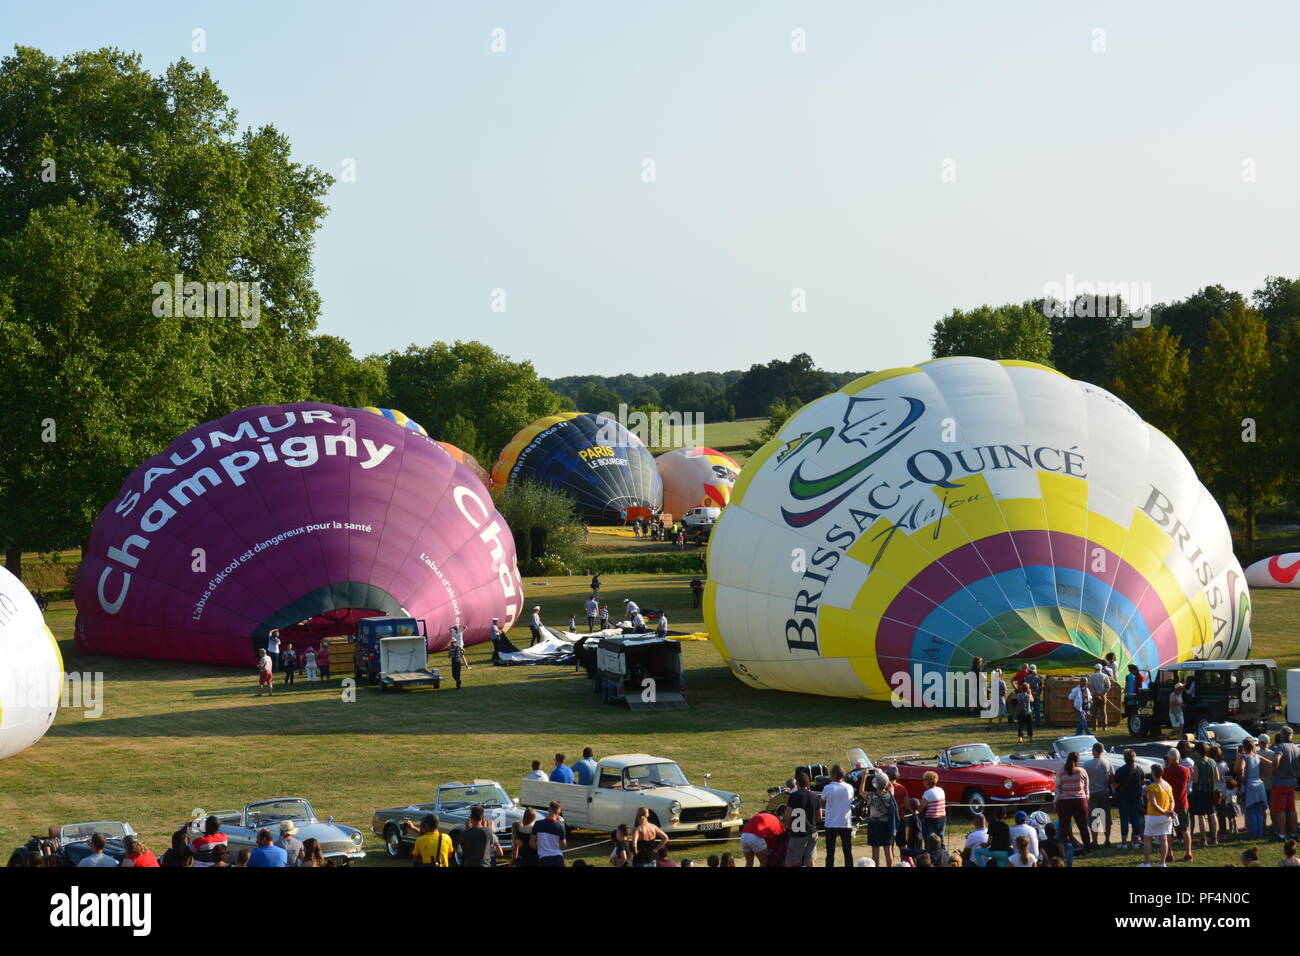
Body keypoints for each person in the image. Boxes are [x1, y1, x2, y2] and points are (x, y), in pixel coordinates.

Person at [1160, 747, 1193, 862]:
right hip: (1183, 803)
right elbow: (1188, 781)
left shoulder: (1165, 772)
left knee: (1169, 831)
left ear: (1170, 759)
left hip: (1169, 805)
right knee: (1185, 829)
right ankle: (1188, 853)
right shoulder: (1186, 770)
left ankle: (1170, 854)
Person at [1055, 751, 1091, 855]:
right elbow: (1086, 788)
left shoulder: (1061, 772)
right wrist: (1086, 799)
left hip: (1064, 802)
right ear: (1077, 760)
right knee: (1083, 826)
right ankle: (1087, 848)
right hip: (1080, 801)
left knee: (1064, 827)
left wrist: (1055, 801)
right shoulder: (1082, 771)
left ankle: (1062, 850)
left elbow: (1058, 788)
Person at [819, 764, 855, 867]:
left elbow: (822, 802)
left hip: (831, 823)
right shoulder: (849, 787)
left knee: (830, 852)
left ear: (834, 775)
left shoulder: (828, 787)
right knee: (847, 850)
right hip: (845, 822)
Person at [783, 770, 820, 867]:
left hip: (798, 832)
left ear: (797, 783)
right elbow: (819, 817)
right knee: (810, 860)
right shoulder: (815, 796)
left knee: (790, 861)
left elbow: (788, 815)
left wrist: (789, 826)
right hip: (812, 831)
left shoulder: (793, 796)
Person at [1268, 725, 1298, 841]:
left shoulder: (1280, 747)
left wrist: (1274, 771)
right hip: (1292, 782)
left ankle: (1281, 834)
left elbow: (1276, 760)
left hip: (1280, 782)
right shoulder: (1296, 748)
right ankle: (1294, 833)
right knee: (1291, 809)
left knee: (1279, 809)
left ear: (1282, 735)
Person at [1141, 764, 1175, 867]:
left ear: (1153, 774)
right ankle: (1162, 863)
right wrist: (1170, 811)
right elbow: (1172, 801)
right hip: (1166, 817)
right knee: (1164, 839)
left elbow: (1154, 805)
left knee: (1147, 839)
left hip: (1154, 816)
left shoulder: (1152, 787)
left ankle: (1147, 863)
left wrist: (1164, 811)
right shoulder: (1168, 785)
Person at [1082, 741, 1115, 846]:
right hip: (1104, 792)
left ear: (1095, 751)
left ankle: (1095, 841)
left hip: (1092, 793)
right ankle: (1107, 840)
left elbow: (1083, 779)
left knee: (1094, 817)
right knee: (1106, 817)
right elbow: (1111, 779)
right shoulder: (1108, 763)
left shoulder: (1087, 764)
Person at [1237, 736, 1269, 838]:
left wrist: (1242, 779)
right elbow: (1271, 763)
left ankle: (1253, 833)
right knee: (1259, 810)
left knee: (1250, 810)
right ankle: (1259, 832)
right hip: (1260, 785)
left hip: (1250, 785)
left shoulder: (1244, 757)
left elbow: (1240, 768)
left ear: (1244, 747)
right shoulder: (1257, 756)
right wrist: (1264, 776)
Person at [1190, 741, 1221, 848]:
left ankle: (1204, 840)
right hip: (1211, 791)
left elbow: (1195, 779)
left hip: (1200, 791)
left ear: (1198, 752)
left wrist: (1191, 773)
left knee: (1201, 816)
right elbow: (1217, 777)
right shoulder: (1213, 762)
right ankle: (1215, 838)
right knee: (1212, 814)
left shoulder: (1197, 763)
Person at [1114, 748, 1146, 849]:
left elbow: (1116, 784)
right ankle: (1135, 842)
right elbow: (1143, 781)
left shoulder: (1121, 770)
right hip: (1136, 798)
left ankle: (1124, 843)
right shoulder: (1139, 769)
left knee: (1124, 820)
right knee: (1135, 819)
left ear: (1125, 758)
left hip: (1123, 798)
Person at [865, 772, 898, 867]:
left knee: (875, 852)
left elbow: (861, 791)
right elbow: (891, 786)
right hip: (887, 824)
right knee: (888, 851)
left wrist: (864, 777)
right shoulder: (890, 795)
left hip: (874, 825)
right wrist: (884, 776)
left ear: (875, 783)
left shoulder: (871, 796)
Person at [532, 803, 567, 867]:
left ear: (548, 809)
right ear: (559, 813)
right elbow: (563, 846)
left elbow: (531, 843)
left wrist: (541, 848)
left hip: (544, 859)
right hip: (558, 858)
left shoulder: (538, 824)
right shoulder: (559, 827)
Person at [919, 770, 947, 847]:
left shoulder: (927, 793)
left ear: (927, 781)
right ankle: (943, 856)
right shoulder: (941, 790)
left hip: (931, 820)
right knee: (940, 839)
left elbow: (920, 808)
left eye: (924, 780)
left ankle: (930, 857)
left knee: (929, 841)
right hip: (942, 818)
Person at [1088, 663, 1111, 730]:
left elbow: (1090, 686)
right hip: (1103, 696)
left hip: (1094, 696)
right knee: (1103, 712)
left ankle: (1095, 727)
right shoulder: (1105, 676)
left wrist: (1096, 694)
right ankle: (1105, 727)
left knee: (1094, 712)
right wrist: (1102, 694)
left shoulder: (1091, 676)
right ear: (1101, 669)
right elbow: (1108, 686)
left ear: (1095, 669)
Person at [448, 624, 468, 689]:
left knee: (455, 674)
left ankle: (458, 684)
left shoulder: (454, 633)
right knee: (456, 673)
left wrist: (452, 627)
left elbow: (449, 629)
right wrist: (460, 626)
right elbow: (465, 627)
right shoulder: (460, 632)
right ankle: (459, 681)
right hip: (460, 647)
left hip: (456, 659)